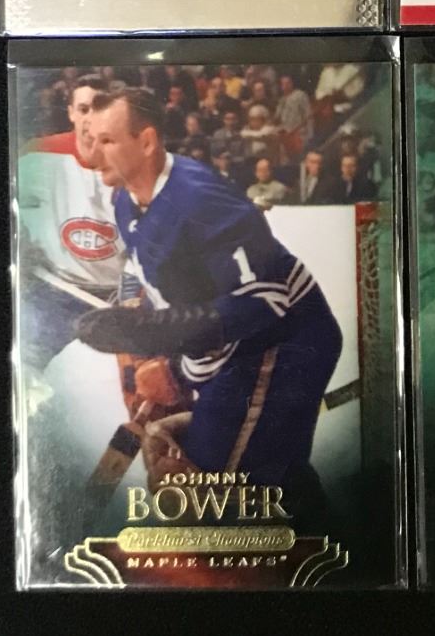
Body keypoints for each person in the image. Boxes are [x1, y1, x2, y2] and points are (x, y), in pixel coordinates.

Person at [75, 86, 341, 513]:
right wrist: (156, 344)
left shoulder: (202, 200)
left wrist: (165, 353)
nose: (92, 153)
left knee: (213, 486)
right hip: (233, 347)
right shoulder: (124, 197)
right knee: (271, 476)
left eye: (107, 140)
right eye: (93, 139)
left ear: (146, 142)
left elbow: (266, 301)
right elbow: (155, 280)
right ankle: (330, 541)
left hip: (284, 342)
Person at [17, 76, 124, 372]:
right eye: (84, 108)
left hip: (115, 297)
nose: (91, 118)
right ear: (71, 113)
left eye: (100, 108)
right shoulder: (38, 155)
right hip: (57, 291)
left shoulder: (133, 159)